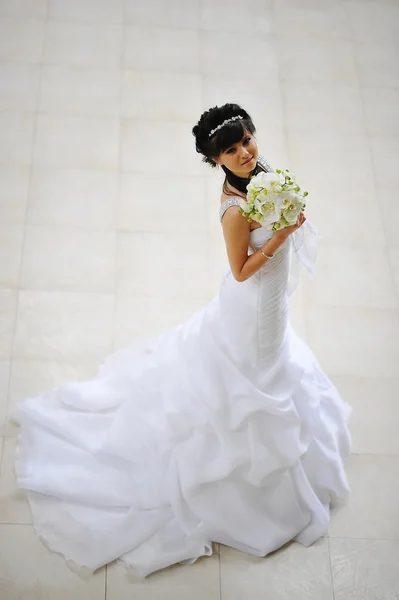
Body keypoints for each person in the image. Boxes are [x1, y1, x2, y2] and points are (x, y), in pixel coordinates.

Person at [14, 103, 351, 579]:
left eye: (247, 140)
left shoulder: (262, 171)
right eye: (230, 150)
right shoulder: (234, 210)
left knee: (276, 357)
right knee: (254, 374)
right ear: (215, 160)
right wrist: (280, 237)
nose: (245, 153)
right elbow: (239, 271)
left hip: (272, 299)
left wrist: (286, 217)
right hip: (253, 300)